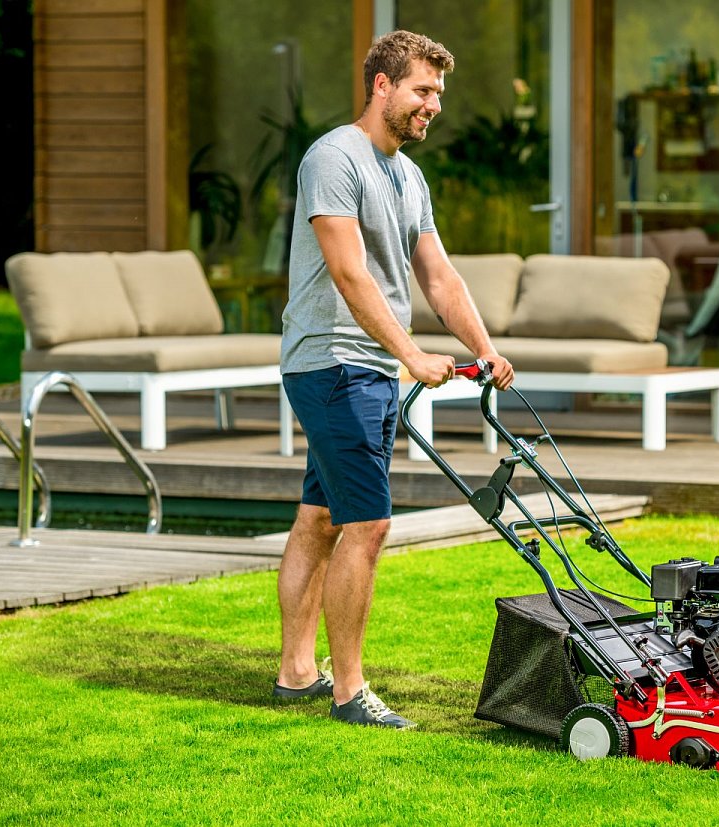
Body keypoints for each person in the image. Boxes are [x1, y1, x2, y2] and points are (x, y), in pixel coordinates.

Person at [273, 30, 515, 730]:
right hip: (333, 362)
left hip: (367, 368)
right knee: (369, 522)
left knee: (320, 518)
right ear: (382, 86)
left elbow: (437, 274)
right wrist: (412, 354)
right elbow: (349, 273)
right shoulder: (333, 158)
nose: (432, 106)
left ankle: (296, 673)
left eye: (437, 94)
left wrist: (484, 348)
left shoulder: (408, 177)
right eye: (422, 91)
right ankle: (349, 691)